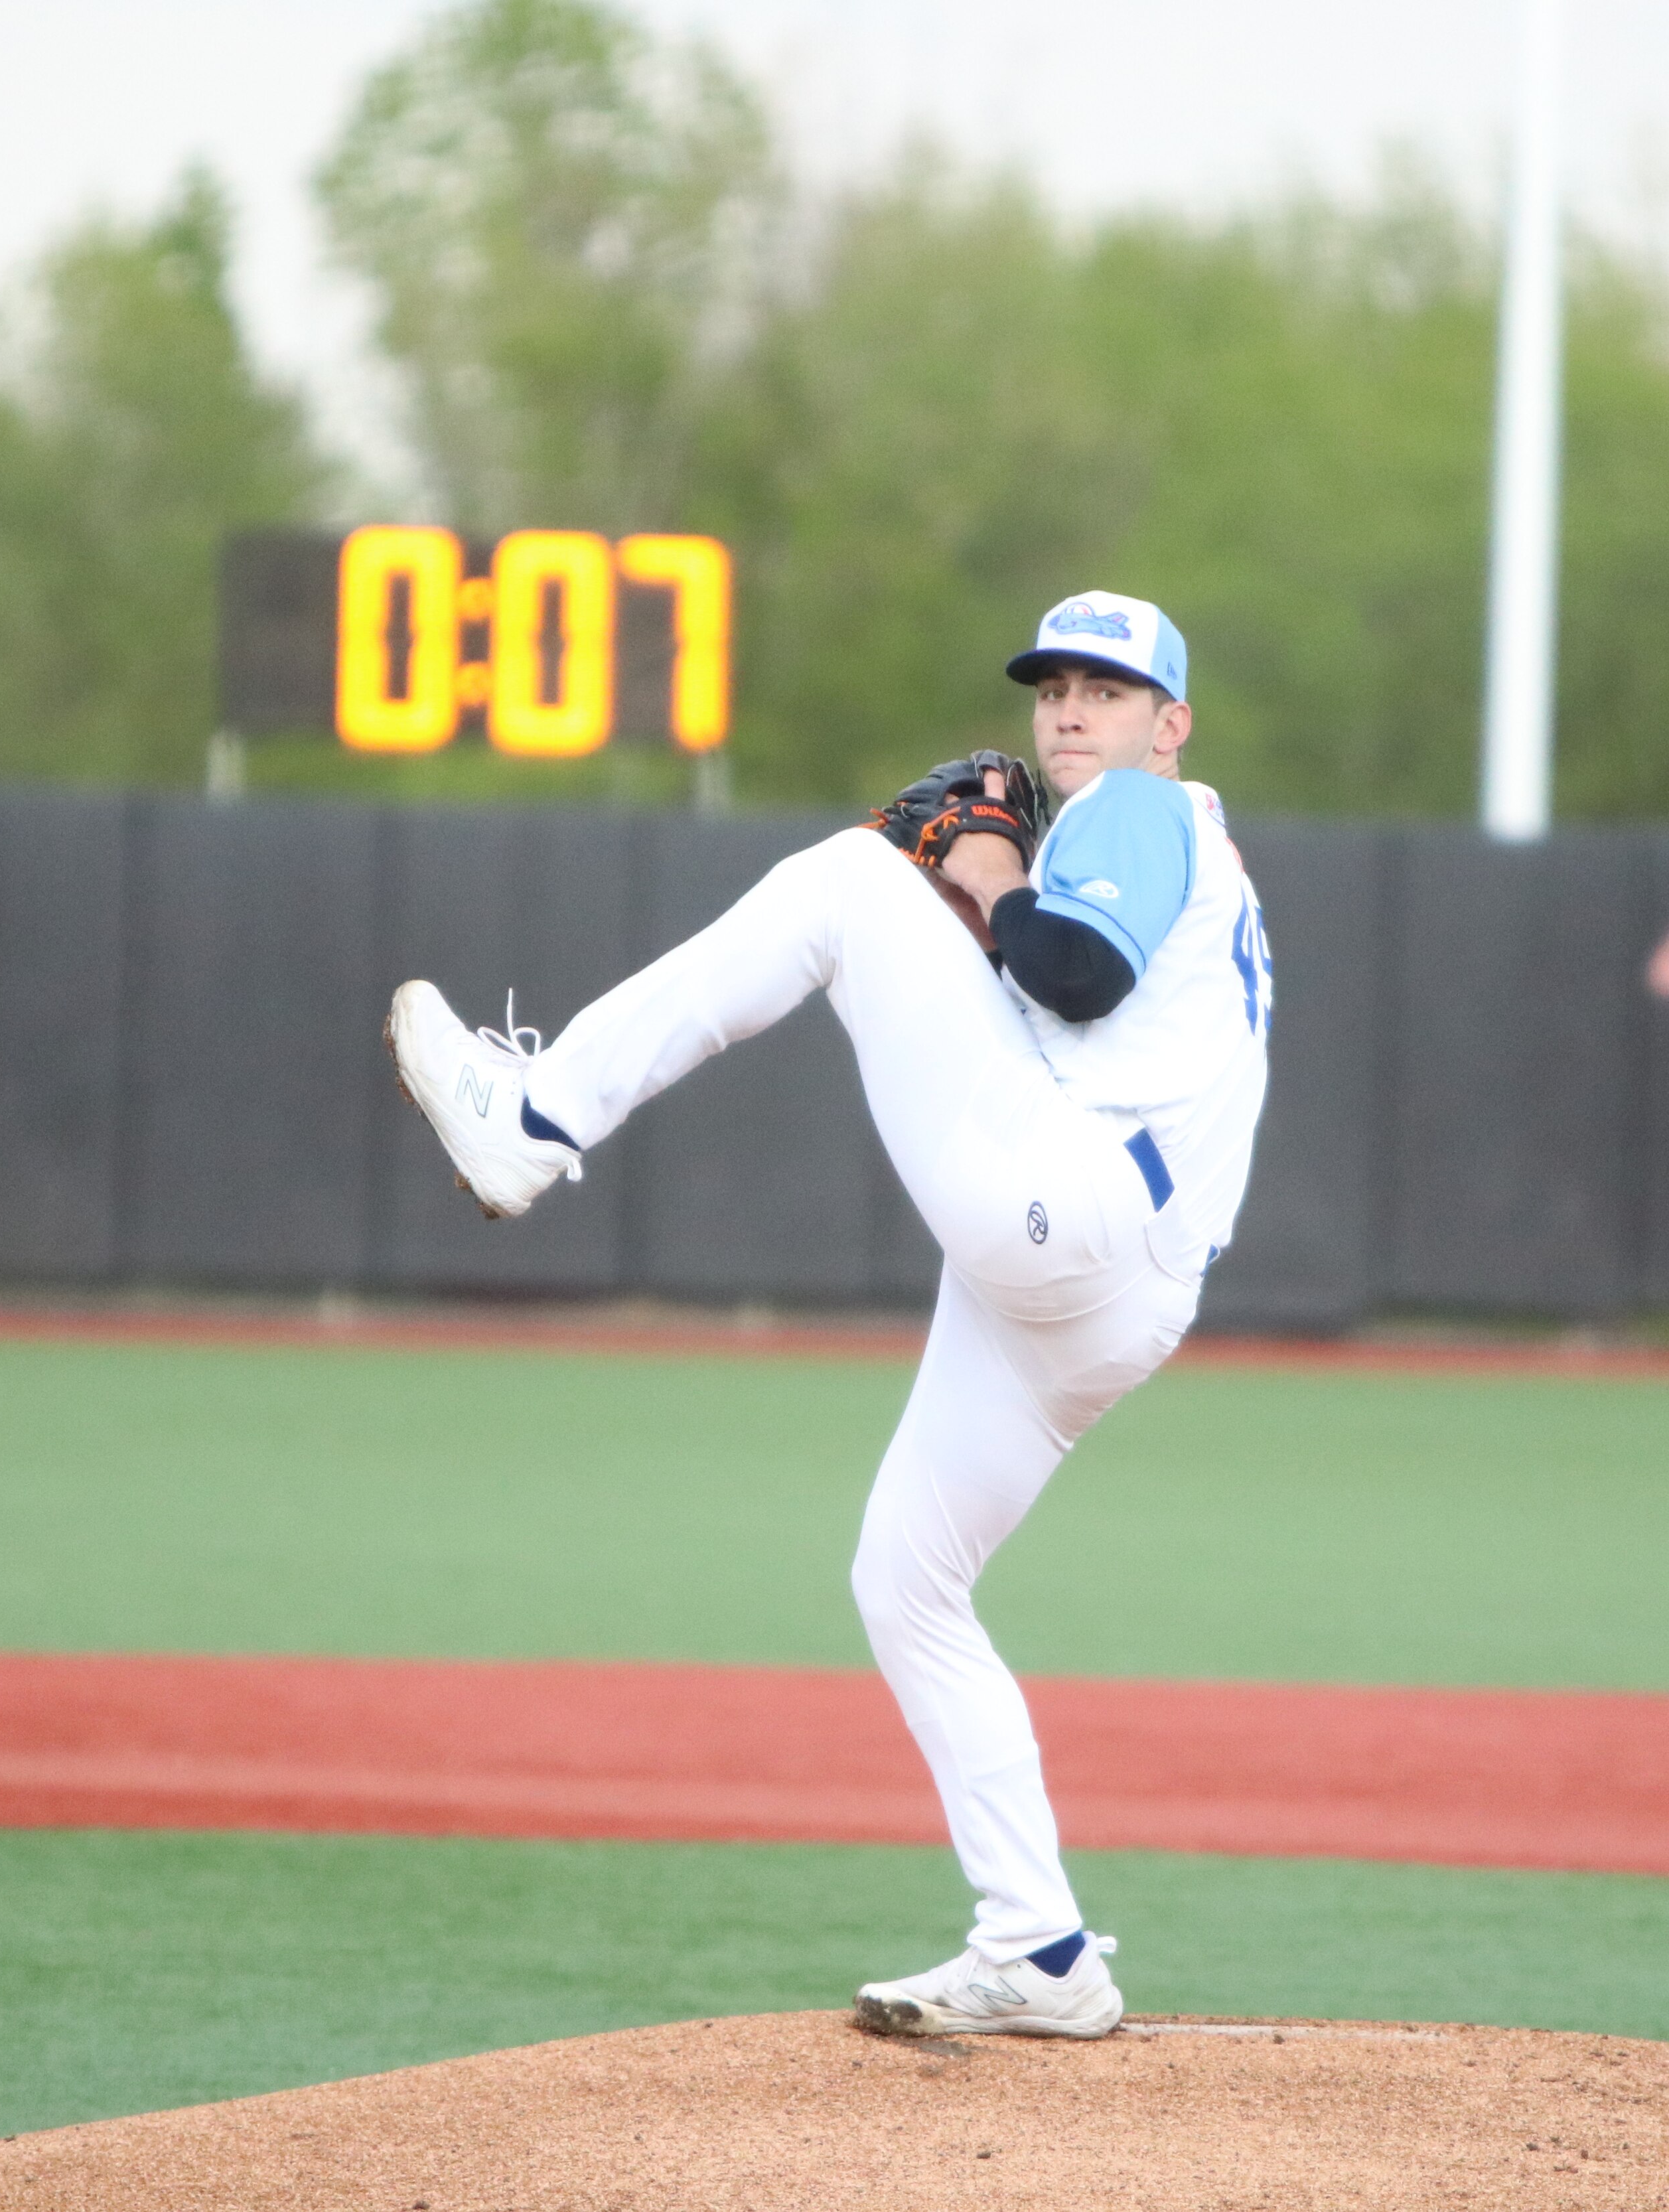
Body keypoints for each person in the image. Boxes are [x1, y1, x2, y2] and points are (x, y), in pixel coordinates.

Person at [386, 589, 1271, 2039]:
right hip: (1111, 1289)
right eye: (1053, 685)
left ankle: (537, 1115)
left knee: (857, 884)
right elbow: (1065, 996)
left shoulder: (1141, 814)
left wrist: (982, 868)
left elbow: (1071, 966)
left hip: (1079, 1204)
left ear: (1169, 723)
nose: (1067, 713)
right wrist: (1001, 888)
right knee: (906, 1577)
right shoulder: (1165, 850)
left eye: (1106, 691)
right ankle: (1039, 1949)